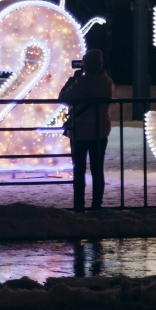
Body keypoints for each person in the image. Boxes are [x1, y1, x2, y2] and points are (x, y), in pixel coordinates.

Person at [59, 49, 114, 212]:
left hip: (81, 131)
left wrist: (71, 81)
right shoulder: (107, 81)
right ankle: (97, 203)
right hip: (101, 131)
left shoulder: (82, 83)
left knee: (79, 169)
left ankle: (79, 204)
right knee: (98, 170)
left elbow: (63, 98)